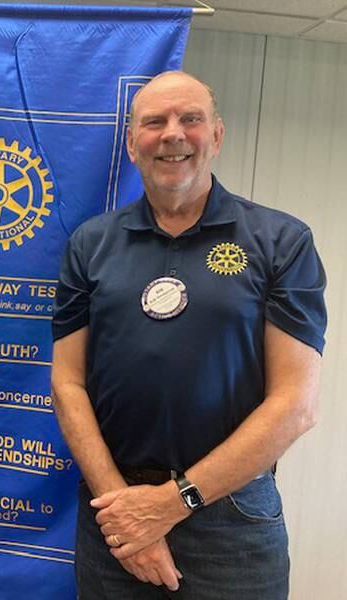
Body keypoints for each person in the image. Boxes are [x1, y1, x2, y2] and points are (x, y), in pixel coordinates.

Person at [51, 71, 326, 599]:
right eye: (154, 122)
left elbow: (295, 405)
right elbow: (68, 383)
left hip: (233, 519)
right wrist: (127, 513)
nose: (173, 134)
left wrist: (168, 506)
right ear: (132, 144)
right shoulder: (91, 244)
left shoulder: (281, 242)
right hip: (115, 510)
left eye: (191, 119)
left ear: (217, 136)